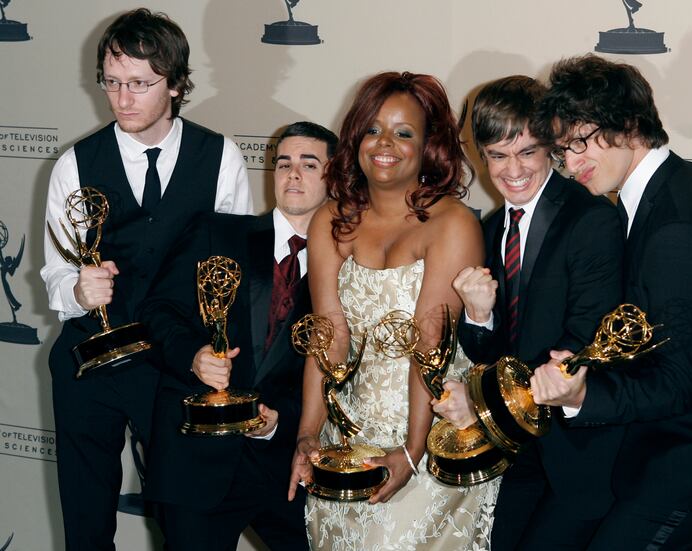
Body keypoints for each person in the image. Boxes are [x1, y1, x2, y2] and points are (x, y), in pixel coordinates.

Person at [531, 54, 692, 549]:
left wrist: (581, 397)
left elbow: (677, 382)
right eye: (563, 150)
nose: (571, 162)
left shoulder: (676, 221)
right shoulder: (669, 187)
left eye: (581, 141)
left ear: (629, 123)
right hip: (686, 438)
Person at [40, 8, 252, 549]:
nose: (122, 99)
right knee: (86, 527)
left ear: (177, 85)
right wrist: (77, 290)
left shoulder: (220, 156)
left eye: (139, 84)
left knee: (186, 527)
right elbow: (57, 271)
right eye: (112, 83)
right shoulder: (75, 164)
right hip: (92, 365)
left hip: (177, 367)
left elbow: (230, 275)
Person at [288, 72, 500, 550]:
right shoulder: (331, 218)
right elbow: (328, 335)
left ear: (429, 145)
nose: (385, 144)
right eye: (373, 129)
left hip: (432, 428)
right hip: (348, 430)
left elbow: (431, 349)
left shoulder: (452, 224)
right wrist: (307, 434)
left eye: (404, 132)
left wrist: (412, 449)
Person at [431, 76, 625, 550]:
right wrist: (479, 318)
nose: (512, 169)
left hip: (576, 456)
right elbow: (490, 352)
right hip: (513, 453)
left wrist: (483, 400)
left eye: (527, 152)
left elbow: (582, 347)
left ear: (552, 149)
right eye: (497, 155)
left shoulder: (591, 218)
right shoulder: (491, 226)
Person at [138, 122, 337, 550]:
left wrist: (281, 421)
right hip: (195, 465)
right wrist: (193, 356)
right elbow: (156, 312)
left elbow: (338, 369)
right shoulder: (217, 232)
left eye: (308, 164)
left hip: (284, 467)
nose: (293, 174)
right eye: (283, 163)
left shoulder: (346, 267)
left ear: (334, 177)